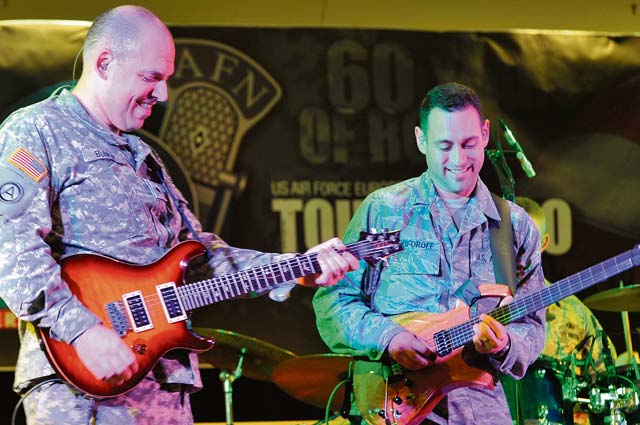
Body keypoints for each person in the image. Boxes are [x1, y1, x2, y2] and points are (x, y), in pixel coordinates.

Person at [0, 6, 358, 424]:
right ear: (104, 62)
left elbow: (201, 256)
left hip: (165, 383)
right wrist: (81, 329)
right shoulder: (36, 130)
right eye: (152, 77)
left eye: (166, 79)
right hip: (83, 388)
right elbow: (9, 242)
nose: (164, 94)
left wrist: (295, 268)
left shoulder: (143, 155)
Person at [313, 82, 546, 424]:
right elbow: (333, 303)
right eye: (444, 146)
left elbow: (534, 325)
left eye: (468, 144)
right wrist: (388, 337)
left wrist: (506, 344)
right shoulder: (384, 209)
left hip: (482, 410)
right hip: (392, 406)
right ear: (421, 140)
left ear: (484, 134)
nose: (458, 159)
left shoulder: (514, 225)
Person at [504, 197, 617, 424]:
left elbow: (608, 383)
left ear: (543, 243)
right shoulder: (469, 306)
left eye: (529, 239)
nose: (518, 249)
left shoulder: (573, 312)